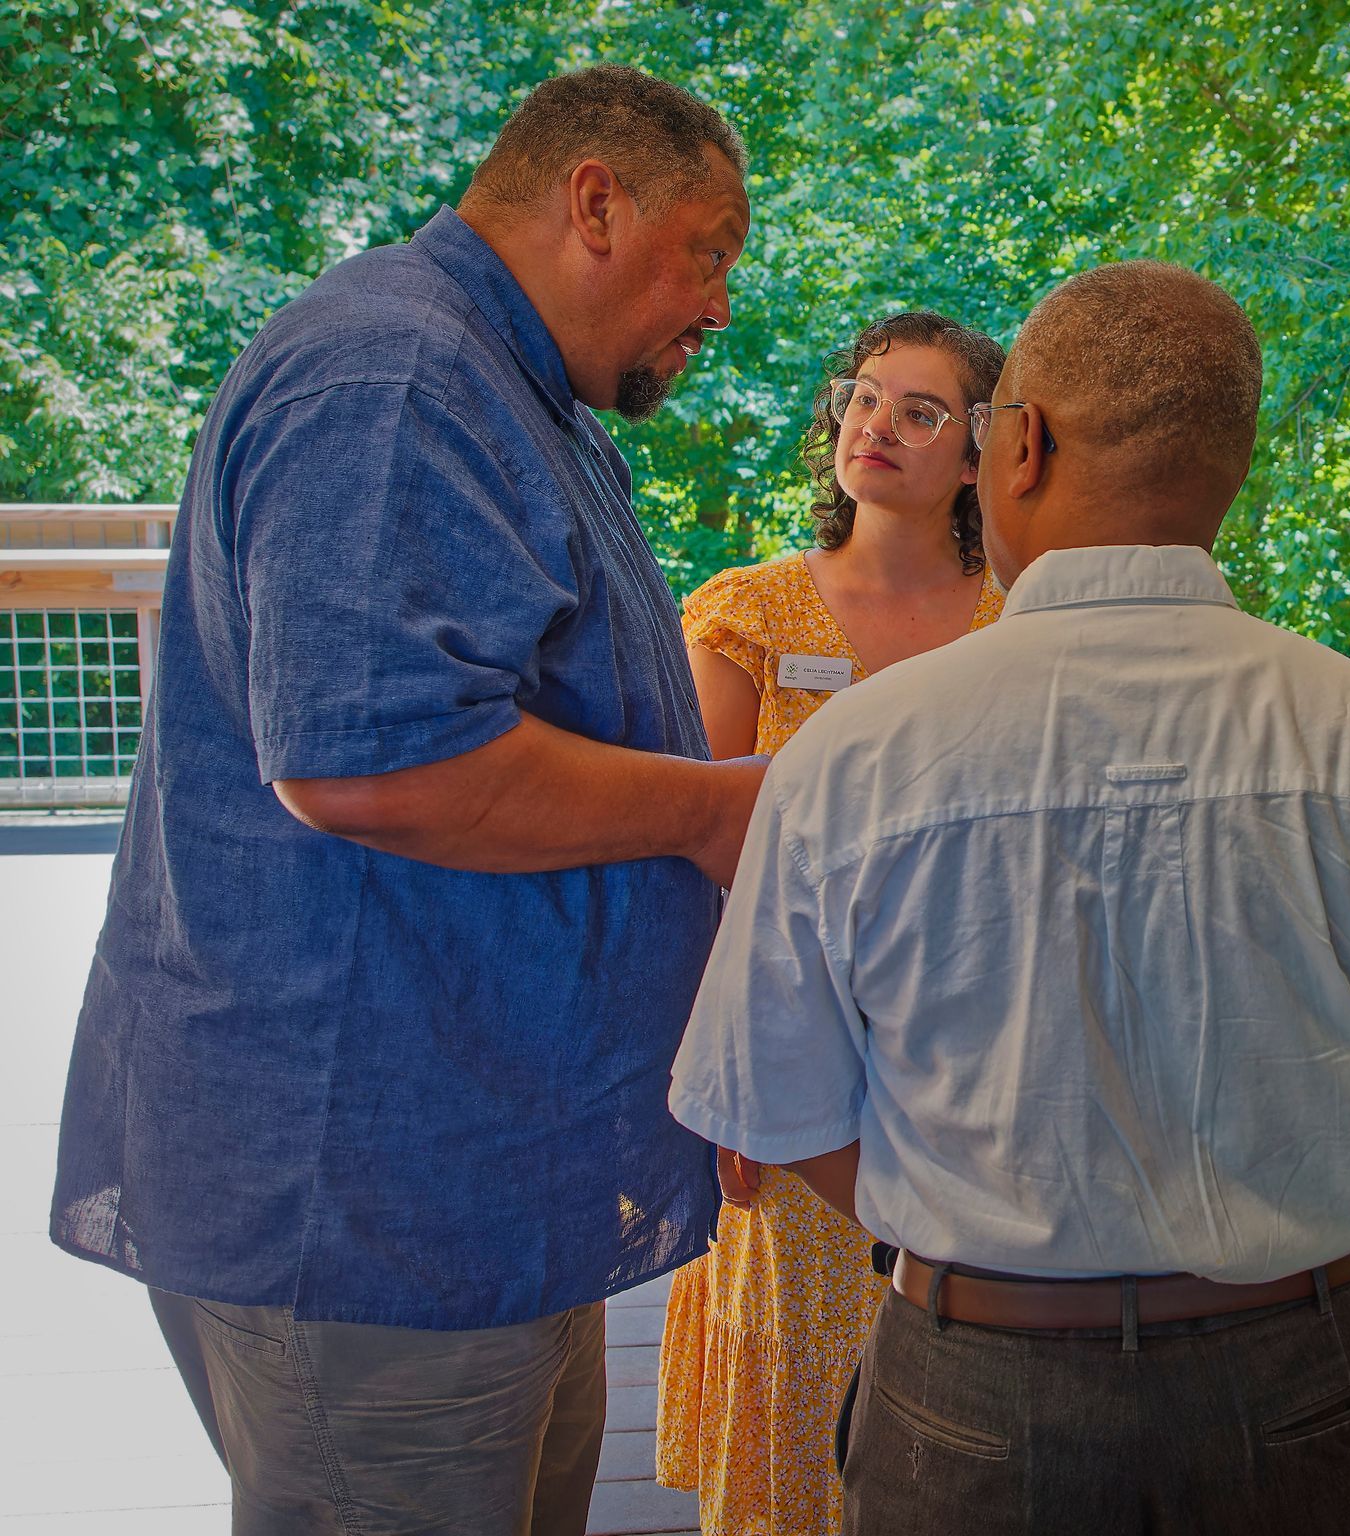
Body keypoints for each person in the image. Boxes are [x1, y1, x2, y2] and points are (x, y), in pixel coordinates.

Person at [666, 260, 1350, 1536]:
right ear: (1228, 468)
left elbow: (774, 1102)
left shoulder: (855, 755)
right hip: (1316, 1371)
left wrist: (976, 1226)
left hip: (976, 1385)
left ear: (1013, 446)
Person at [49, 66, 762, 1536]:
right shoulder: (398, 378)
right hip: (376, 1191)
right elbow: (368, 762)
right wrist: (706, 810)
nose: (719, 307)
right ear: (594, 202)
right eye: (711, 251)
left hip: (478, 1174)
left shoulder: (499, 384)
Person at [654, 310, 1007, 1536]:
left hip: (963, 1070)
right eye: (864, 399)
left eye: (921, 412)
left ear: (977, 455)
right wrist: (722, 1079)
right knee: (797, 1411)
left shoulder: (1016, 627)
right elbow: (691, 858)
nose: (878, 427)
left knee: (953, 1409)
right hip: (787, 1062)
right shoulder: (748, 613)